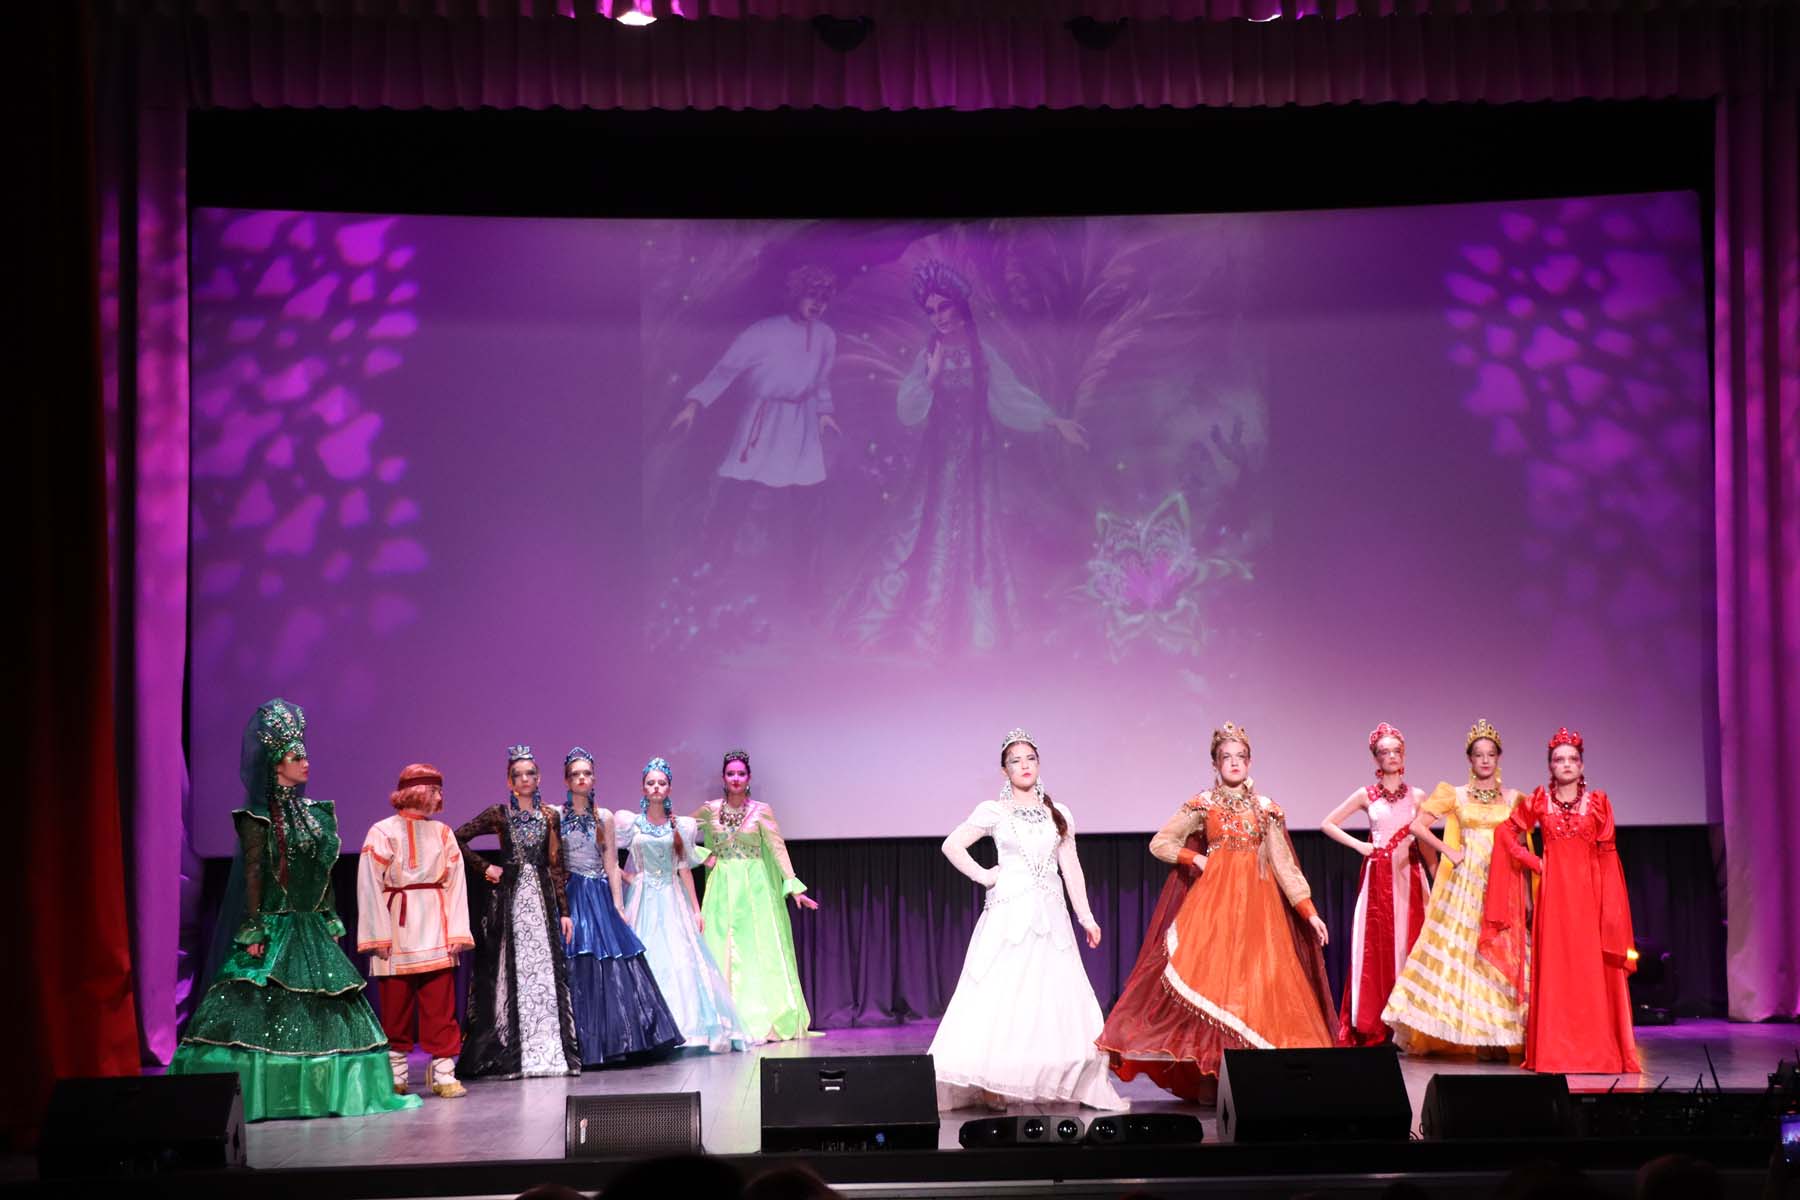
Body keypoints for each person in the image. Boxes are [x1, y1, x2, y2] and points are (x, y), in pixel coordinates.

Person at [170, 699, 419, 1119]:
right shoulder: (258, 818)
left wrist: (329, 913)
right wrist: (253, 926)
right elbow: (254, 874)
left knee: (325, 1004)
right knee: (257, 1006)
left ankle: (319, 1094)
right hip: (275, 923)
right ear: (275, 766)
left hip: (310, 924)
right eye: (295, 757)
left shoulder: (313, 814)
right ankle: (265, 1094)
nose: (306, 763)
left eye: (305, 755)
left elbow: (320, 870)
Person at [837, 258, 1087, 654]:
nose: (938, 316)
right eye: (931, 310)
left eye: (944, 307)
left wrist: (1053, 422)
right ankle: (923, 624)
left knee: (975, 527)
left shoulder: (983, 352)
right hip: (938, 458)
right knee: (928, 526)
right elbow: (908, 409)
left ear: (960, 307)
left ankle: (972, 627)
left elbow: (1009, 397)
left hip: (977, 456)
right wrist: (932, 376)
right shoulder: (928, 353)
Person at [1096, 722, 1334, 1103]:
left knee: (1256, 989)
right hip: (1214, 910)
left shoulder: (1266, 809)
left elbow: (1285, 866)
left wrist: (1308, 911)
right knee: (1215, 988)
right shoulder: (1203, 804)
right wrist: (1195, 859)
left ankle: (1254, 1080)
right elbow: (1160, 843)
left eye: (1240, 757)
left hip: (1260, 912)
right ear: (1215, 763)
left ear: (1250, 762)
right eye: (1227, 757)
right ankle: (1211, 1075)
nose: (1234, 763)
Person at [930, 728, 1125, 1112]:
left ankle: (1050, 1078)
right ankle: (993, 1081)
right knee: (1003, 994)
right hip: (1010, 915)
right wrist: (985, 875)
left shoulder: (1059, 813)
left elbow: (1071, 867)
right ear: (1005, 770)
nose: (1024, 766)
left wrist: (1086, 916)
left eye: (1030, 759)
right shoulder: (995, 810)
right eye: (1015, 761)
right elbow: (951, 845)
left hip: (1050, 917)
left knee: (1049, 996)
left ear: (1039, 764)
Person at [1484, 728, 1641, 1074]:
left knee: (1591, 970)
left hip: (1590, 896)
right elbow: (1505, 832)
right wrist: (1534, 862)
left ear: (1581, 765)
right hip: (1554, 898)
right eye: (1559, 759)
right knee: (1557, 969)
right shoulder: (1540, 801)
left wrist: (1611, 909)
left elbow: (1608, 855)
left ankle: (1597, 1052)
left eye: (1572, 759)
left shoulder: (1598, 802)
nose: (1566, 764)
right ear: (1551, 766)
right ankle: (1555, 1053)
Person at [1379, 718, 1530, 1057]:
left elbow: (1522, 845)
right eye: (1479, 755)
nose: (1485, 760)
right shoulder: (1456, 794)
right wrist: (1447, 850)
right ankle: (1474, 1036)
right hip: (1465, 886)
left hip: (1502, 884)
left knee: (1499, 953)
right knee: (1465, 955)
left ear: (1498, 758)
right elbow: (1417, 826)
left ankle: (1501, 1033)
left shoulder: (1513, 798)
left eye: (1491, 754)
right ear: (1470, 759)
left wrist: (1525, 892)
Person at [455, 745, 581, 1078]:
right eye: (518, 775)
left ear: (539, 778)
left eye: (530, 773)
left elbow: (556, 864)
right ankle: (512, 1050)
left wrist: (564, 911)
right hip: (510, 900)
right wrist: (485, 868)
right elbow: (456, 838)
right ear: (509, 781)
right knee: (509, 969)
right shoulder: (499, 814)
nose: (525, 779)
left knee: (543, 969)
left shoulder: (550, 815)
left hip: (541, 900)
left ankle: (547, 1048)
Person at [356, 762, 475, 1098]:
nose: (439, 797)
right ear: (418, 792)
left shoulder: (443, 833)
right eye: (434, 790)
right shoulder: (382, 831)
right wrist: (377, 934)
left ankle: (444, 1073)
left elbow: (456, 884)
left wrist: (457, 932)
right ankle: (396, 1074)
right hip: (397, 927)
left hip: (435, 925)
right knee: (396, 1006)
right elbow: (369, 884)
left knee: (440, 1005)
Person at [558, 747, 683, 1065]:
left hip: (599, 894)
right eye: (575, 774)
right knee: (578, 962)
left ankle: (617, 1040)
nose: (582, 778)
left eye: (587, 773)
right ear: (567, 780)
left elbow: (612, 864)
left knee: (613, 965)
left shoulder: (604, 817)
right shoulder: (556, 816)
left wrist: (618, 905)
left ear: (594, 778)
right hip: (571, 893)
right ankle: (579, 1044)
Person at [617, 756, 747, 1052]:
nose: (656, 787)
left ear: (669, 788)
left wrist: (696, 909)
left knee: (680, 959)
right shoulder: (630, 824)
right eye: (651, 782)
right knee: (648, 955)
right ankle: (649, 1031)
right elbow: (610, 859)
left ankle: (686, 1027)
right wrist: (630, 879)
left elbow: (684, 868)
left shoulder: (681, 826)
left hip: (672, 897)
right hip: (643, 899)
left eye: (661, 782)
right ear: (643, 787)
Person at [1319, 722, 1434, 1047]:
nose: (1391, 756)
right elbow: (1327, 823)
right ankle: (1376, 1023)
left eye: (1396, 750)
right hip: (1378, 878)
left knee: (1410, 946)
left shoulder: (1417, 796)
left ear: (1404, 755)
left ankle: (1410, 1028)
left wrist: (1436, 877)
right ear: (1376, 758)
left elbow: (1426, 843)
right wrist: (1360, 845)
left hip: (1410, 875)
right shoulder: (1365, 795)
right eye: (1385, 752)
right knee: (1377, 948)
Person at [693, 749, 819, 1042]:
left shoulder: (761, 810)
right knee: (721, 945)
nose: (736, 779)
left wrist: (793, 884)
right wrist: (702, 855)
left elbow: (777, 847)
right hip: (723, 884)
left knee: (756, 948)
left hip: (755, 887)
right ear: (723, 778)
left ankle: (761, 1017)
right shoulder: (710, 810)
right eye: (731, 774)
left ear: (748, 778)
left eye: (741, 774)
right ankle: (724, 1019)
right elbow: (677, 831)